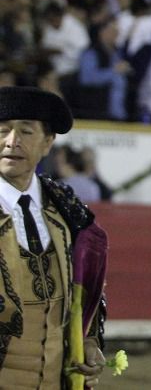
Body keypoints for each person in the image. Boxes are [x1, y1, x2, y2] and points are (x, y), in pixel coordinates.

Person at [0, 86, 107, 388]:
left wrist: (88, 341)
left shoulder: (69, 214)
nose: (12, 142)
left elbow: (87, 293)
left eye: (25, 131)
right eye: (3, 131)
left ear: (48, 143)